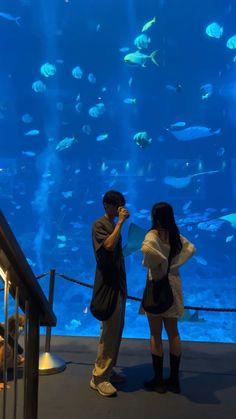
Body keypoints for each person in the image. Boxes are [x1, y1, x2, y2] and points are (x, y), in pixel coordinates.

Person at [141, 202, 196, 394]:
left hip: (156, 286)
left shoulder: (152, 235)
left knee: (155, 334)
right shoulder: (175, 235)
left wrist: (160, 265)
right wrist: (172, 266)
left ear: (154, 216)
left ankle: (158, 382)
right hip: (173, 285)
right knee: (174, 333)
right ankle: (174, 380)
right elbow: (191, 248)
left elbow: (147, 250)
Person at [90, 190, 130, 397]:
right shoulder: (99, 225)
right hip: (107, 286)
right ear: (107, 205)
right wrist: (121, 223)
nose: (120, 209)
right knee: (109, 332)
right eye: (118, 206)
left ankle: (107, 369)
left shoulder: (113, 225)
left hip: (118, 285)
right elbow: (107, 245)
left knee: (116, 331)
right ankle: (99, 378)